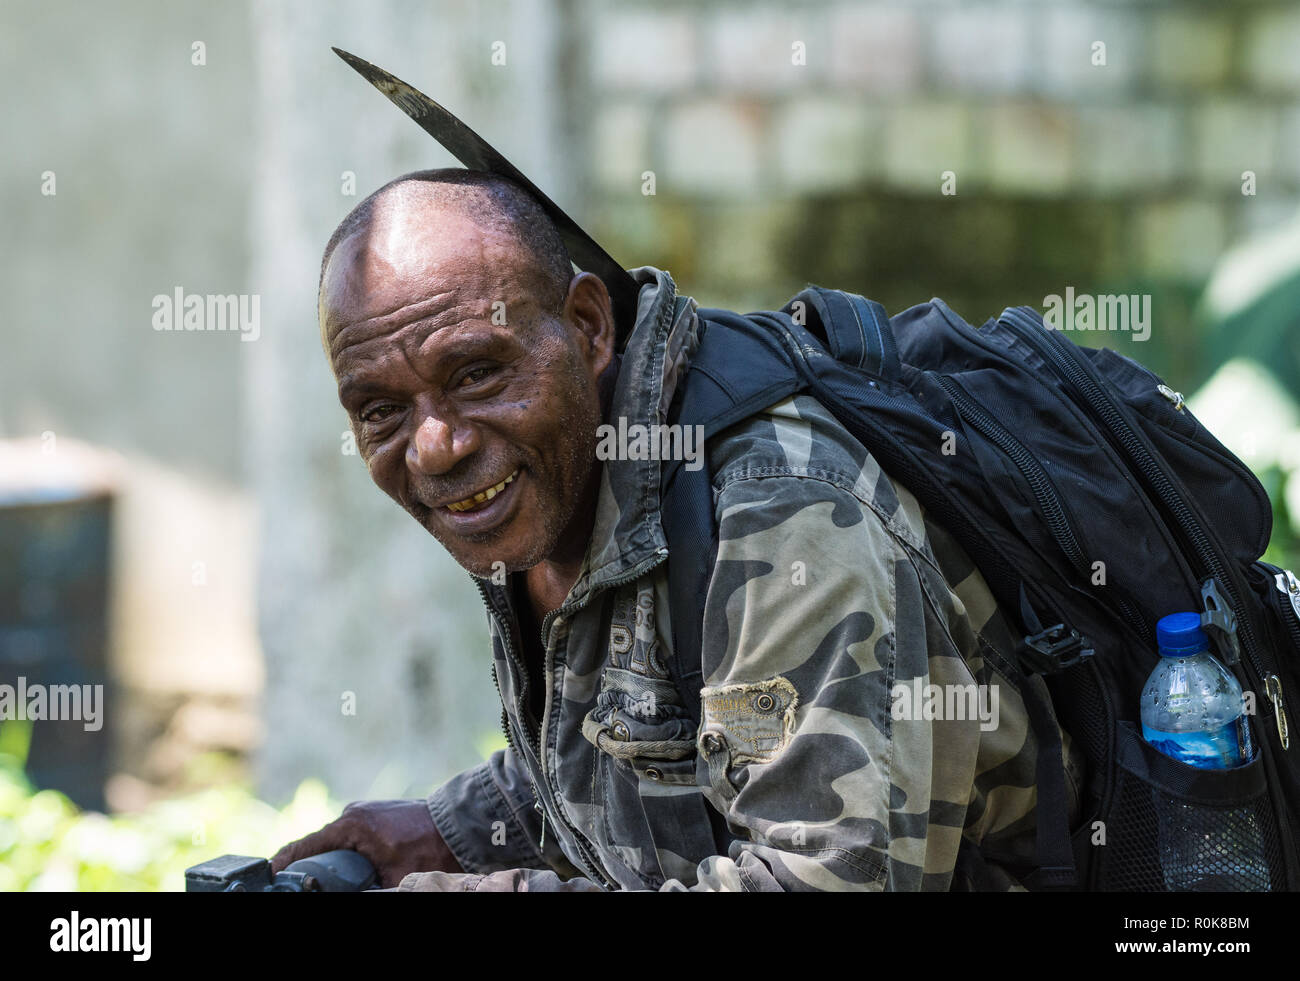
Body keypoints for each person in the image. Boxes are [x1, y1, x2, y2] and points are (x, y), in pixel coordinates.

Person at [271, 168, 1085, 891]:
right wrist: (450, 831)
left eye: (478, 372)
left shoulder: (783, 519)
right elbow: (643, 747)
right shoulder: (567, 485)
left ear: (589, 326)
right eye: (381, 409)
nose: (436, 444)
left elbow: (825, 881)